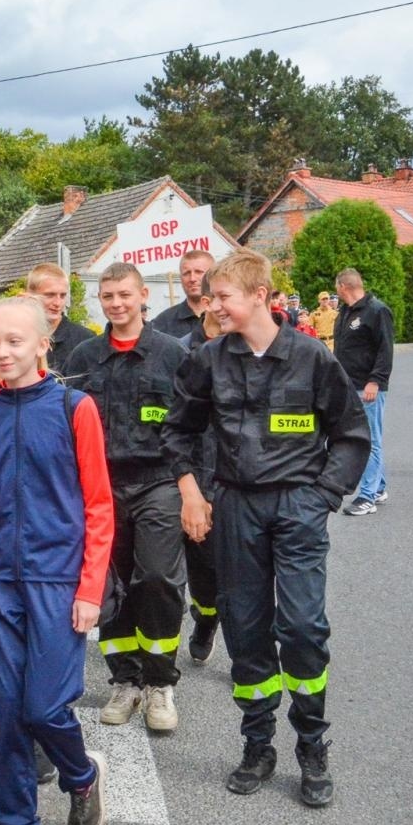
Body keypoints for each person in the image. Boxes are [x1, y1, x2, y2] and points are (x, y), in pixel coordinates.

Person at [162, 248, 369, 807]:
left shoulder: (312, 359)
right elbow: (177, 433)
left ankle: (311, 745)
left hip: (297, 507)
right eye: (211, 296)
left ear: (260, 296)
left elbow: (351, 435)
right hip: (235, 508)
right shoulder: (208, 360)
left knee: (302, 629)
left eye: (223, 295)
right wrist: (191, 493)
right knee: (246, 630)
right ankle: (258, 745)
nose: (213, 305)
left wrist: (322, 496)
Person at [0, 297, 111, 825]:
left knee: (45, 708)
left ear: (44, 343)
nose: (1, 352)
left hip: (57, 581)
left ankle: (80, 775)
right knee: (10, 716)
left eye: (14, 341)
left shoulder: (77, 408)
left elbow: (99, 504)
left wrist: (90, 588)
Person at [63, 262, 190, 732]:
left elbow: (193, 427)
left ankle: (160, 683)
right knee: (109, 585)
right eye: (108, 296)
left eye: (124, 295)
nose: (116, 304)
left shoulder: (173, 354)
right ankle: (125, 680)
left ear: (142, 298)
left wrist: (196, 490)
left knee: (156, 578)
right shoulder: (82, 358)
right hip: (100, 488)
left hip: (158, 481)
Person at [175, 283, 223, 664]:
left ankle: (248, 657)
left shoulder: (251, 349)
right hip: (190, 471)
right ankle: (206, 616)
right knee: (202, 570)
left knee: (242, 572)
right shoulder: (179, 349)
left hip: (235, 477)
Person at [332, 268, 395, 515]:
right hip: (349, 384)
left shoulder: (377, 311)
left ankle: (367, 497)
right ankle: (378, 488)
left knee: (370, 440)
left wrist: (375, 381)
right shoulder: (346, 312)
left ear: (343, 286)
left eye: (336, 287)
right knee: (363, 437)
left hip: (368, 387)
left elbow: (385, 350)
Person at [23, 263, 94, 368]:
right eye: (50, 295)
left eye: (62, 295)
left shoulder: (84, 340)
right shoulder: (15, 336)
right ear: (30, 295)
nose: (57, 303)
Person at [149, 249, 215, 339]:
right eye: (186, 273)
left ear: (213, 275)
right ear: (180, 277)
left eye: (199, 272)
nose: (192, 278)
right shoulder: (163, 322)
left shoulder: (225, 316)